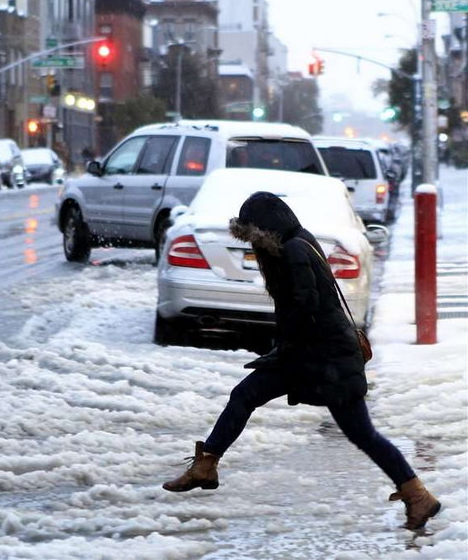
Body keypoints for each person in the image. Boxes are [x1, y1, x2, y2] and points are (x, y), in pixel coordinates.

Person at [161, 191, 441, 531]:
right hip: (311, 356)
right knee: (246, 396)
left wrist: (284, 346)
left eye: (254, 238)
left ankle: (418, 496)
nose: (254, 247)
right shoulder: (298, 242)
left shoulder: (293, 250)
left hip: (325, 359)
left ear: (265, 229)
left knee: (361, 433)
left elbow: (305, 304)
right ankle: (206, 465)